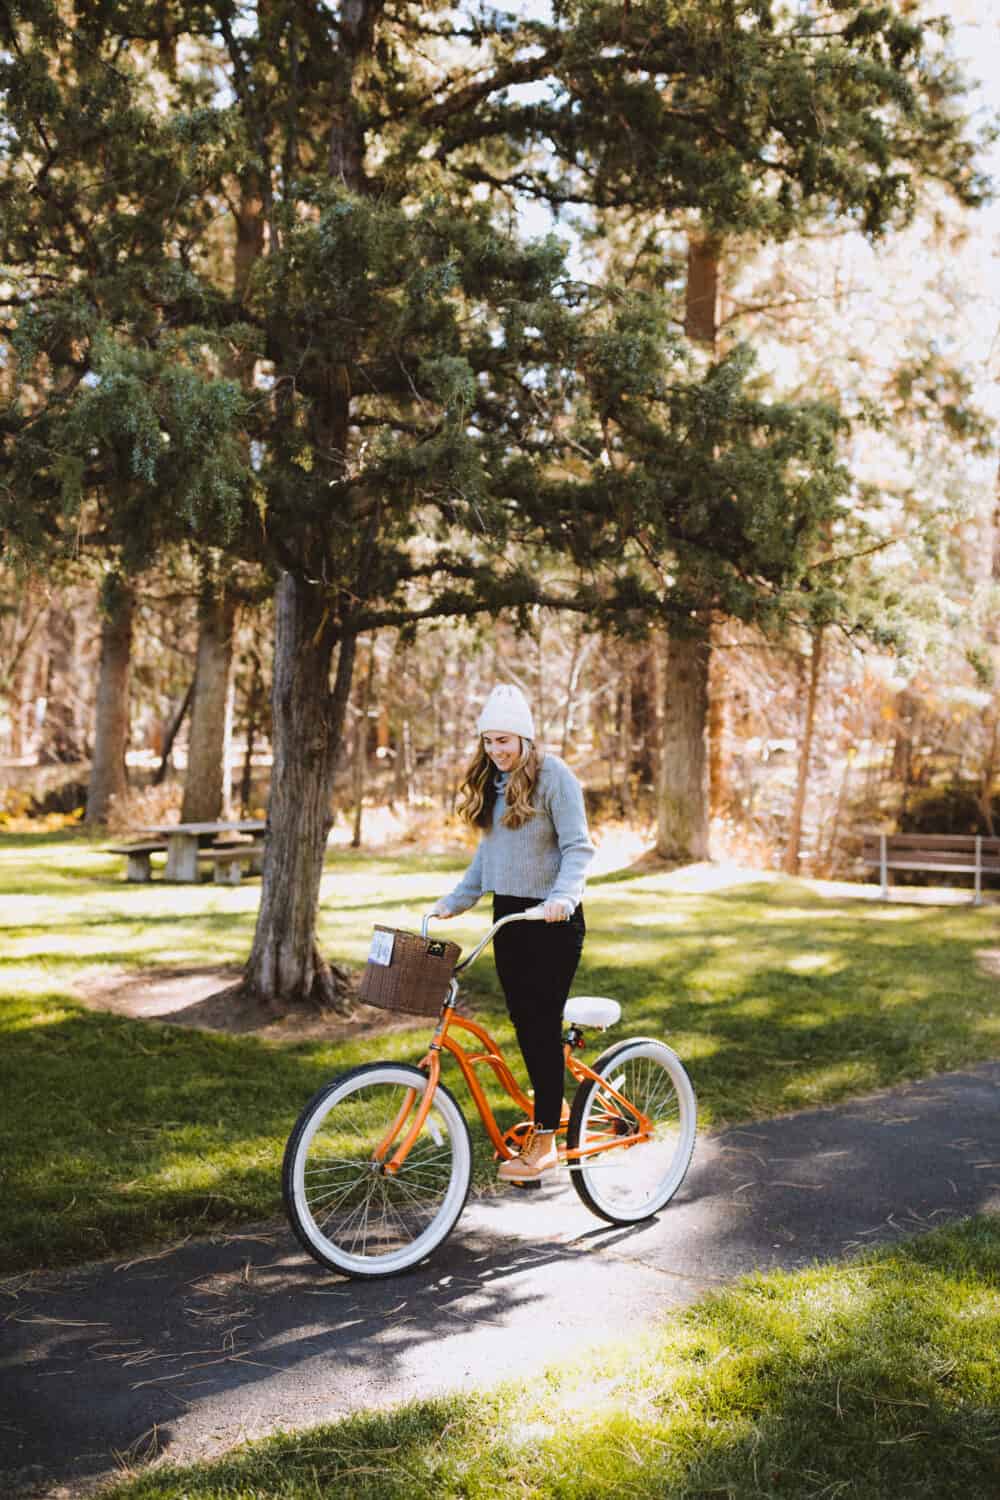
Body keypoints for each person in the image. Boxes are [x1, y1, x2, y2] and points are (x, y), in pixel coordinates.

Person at [431, 683, 595, 1182]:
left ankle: (545, 1137)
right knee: (524, 1022)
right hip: (510, 917)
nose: (496, 751)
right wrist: (454, 902)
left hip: (553, 918)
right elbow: (489, 859)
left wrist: (562, 899)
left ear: (525, 738)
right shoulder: (496, 785)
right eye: (489, 741)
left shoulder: (555, 777)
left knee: (541, 1023)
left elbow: (578, 848)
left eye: (505, 740)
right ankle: (556, 1105)